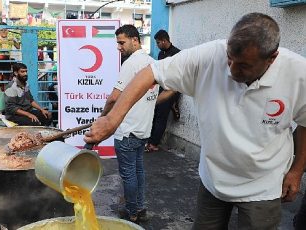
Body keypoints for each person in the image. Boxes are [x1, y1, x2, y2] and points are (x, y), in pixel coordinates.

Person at [85, 13, 306, 229]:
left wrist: (296, 171)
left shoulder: (297, 73)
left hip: (263, 186)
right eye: (229, 58)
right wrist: (113, 119)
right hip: (214, 180)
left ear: (272, 58)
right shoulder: (210, 55)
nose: (231, 69)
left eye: (244, 66)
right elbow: (150, 73)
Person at [99, 25, 159, 223]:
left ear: (135, 40)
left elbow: (113, 98)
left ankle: (132, 213)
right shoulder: (152, 63)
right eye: (118, 43)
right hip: (143, 129)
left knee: (129, 175)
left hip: (127, 130)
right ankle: (140, 208)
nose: (119, 47)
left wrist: (103, 118)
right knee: (138, 171)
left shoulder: (131, 64)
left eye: (121, 42)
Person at [146, 29, 181, 152]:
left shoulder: (177, 54)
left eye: (158, 43)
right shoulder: (161, 54)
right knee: (155, 113)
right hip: (161, 88)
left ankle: (154, 143)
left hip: (171, 89)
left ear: (164, 41)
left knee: (162, 116)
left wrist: (174, 94)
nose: (157, 45)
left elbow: (179, 74)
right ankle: (150, 140)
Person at [0, 22, 20, 92]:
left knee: (6, 78)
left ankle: (5, 93)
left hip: (7, 59)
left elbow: (18, 47)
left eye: (5, 30)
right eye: (1, 30)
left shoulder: (10, 39)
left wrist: (14, 40)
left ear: (8, 31)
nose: (4, 31)